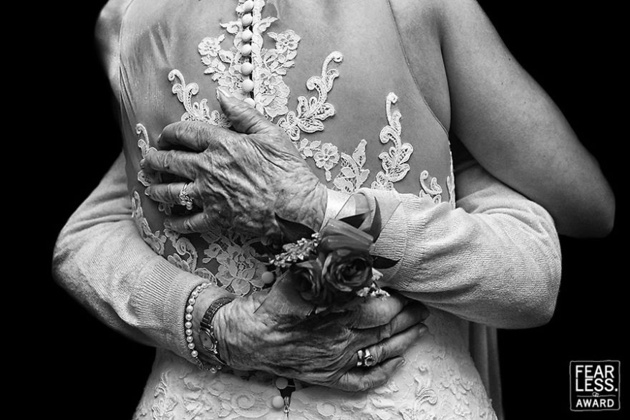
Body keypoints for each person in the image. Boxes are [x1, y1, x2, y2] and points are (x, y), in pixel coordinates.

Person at [52, 0, 614, 419]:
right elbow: (584, 214)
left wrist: (313, 210)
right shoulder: (413, 7)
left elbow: (89, 236)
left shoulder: (126, 21)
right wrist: (217, 326)